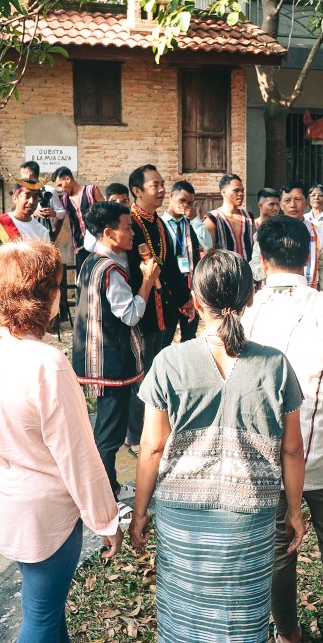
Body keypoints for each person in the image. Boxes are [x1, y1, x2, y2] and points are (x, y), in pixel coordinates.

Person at [129, 250, 306, 643]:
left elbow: (153, 447)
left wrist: (140, 512)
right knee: (243, 615)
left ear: (195, 299)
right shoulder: (275, 365)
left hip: (182, 517)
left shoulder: (169, 362)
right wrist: (294, 510)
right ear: (249, 299)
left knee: (184, 615)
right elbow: (292, 450)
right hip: (251, 515)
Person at [0, 240, 122, 643]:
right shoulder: (45, 364)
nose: (60, 298)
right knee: (41, 619)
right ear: (38, 296)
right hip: (43, 516)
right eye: (55, 287)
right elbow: (79, 455)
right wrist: (107, 519)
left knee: (44, 610)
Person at [242, 216, 323, 643]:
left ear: (261, 257)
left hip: (263, 456)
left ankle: (287, 634)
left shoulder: (242, 313)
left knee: (276, 548)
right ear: (309, 257)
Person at [73, 202, 160, 502]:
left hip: (92, 358)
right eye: (128, 227)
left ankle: (103, 486)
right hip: (112, 362)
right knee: (110, 433)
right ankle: (104, 490)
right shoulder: (111, 270)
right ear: (109, 233)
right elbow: (132, 314)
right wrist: (148, 281)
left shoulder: (89, 262)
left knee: (105, 427)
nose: (133, 233)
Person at [125, 165, 193, 448]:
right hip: (142, 310)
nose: (162, 189)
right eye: (155, 185)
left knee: (159, 369)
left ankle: (156, 428)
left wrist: (185, 300)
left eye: (163, 183)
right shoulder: (129, 222)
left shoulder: (159, 223)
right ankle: (136, 435)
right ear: (137, 191)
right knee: (140, 373)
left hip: (164, 310)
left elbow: (171, 267)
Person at [251, 182, 323, 296]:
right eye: (287, 200)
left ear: (306, 202)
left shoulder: (317, 232)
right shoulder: (269, 231)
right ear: (280, 205)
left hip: (308, 301)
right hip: (274, 299)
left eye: (298, 199)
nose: (293, 205)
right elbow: (254, 267)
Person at [160, 181, 203, 342]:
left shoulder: (191, 224)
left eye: (190, 203)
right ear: (171, 197)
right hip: (170, 288)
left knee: (190, 336)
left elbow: (207, 243)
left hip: (190, 286)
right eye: (182, 201)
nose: (185, 205)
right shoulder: (160, 224)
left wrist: (195, 220)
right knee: (166, 337)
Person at [0, 178, 50, 263]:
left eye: (35, 197)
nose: (31, 201)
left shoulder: (42, 231)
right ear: (15, 198)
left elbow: (45, 263)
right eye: (27, 196)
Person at [52, 166, 104, 269]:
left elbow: (106, 212)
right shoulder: (64, 200)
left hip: (99, 243)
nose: (61, 189)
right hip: (79, 246)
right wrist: (52, 238)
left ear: (68, 178)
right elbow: (60, 219)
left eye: (60, 185)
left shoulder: (91, 190)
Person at [204, 173, 256, 259]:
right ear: (223, 192)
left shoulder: (248, 217)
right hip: (224, 270)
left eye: (242, 190)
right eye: (236, 190)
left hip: (248, 269)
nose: (241, 194)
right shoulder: (212, 219)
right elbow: (208, 253)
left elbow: (255, 247)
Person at [20, 161, 66, 232]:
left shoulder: (50, 190)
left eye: (22, 175)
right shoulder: (21, 192)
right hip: (29, 233)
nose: (21, 178)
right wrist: (33, 213)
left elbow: (63, 213)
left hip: (48, 233)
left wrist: (53, 213)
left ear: (29, 175)